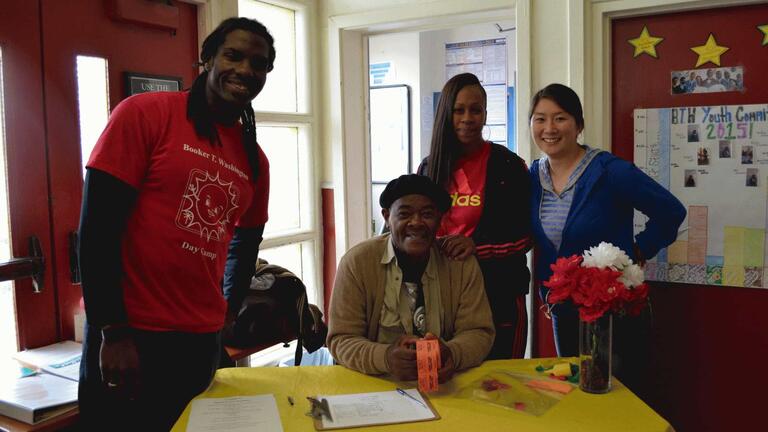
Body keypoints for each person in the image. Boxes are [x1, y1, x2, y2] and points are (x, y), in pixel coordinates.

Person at [77, 17, 274, 431]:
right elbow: (97, 231)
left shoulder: (255, 161)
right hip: (131, 335)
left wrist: (225, 313)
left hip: (199, 343)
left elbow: (245, 243)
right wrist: (112, 332)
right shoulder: (145, 114)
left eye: (258, 64)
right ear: (206, 58)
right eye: (233, 56)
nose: (245, 70)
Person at [528, 84, 685, 398]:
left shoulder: (609, 171)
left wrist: (638, 250)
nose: (549, 128)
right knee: (574, 393)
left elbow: (671, 212)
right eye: (540, 119)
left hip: (614, 314)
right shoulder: (533, 176)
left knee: (617, 398)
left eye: (560, 118)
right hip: (564, 312)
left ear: (579, 124)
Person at [327, 174, 495, 382]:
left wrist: (452, 354)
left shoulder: (460, 263)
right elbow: (341, 339)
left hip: (444, 384)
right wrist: (385, 358)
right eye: (404, 214)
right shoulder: (357, 263)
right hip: (375, 385)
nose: (416, 223)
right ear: (387, 217)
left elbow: (479, 332)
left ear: (440, 219)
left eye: (427, 214)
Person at [417, 73, 531, 360]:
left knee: (501, 384)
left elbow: (527, 235)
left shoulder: (509, 166)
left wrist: (476, 247)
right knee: (448, 383)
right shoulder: (428, 168)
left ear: (485, 114)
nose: (468, 118)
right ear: (446, 114)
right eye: (459, 110)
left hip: (500, 294)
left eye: (476, 109)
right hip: (442, 295)